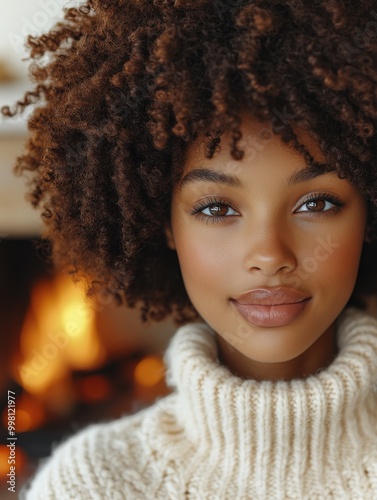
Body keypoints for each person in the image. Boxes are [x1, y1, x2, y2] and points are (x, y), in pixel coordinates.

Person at [4, 0, 377, 498]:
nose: (269, 254)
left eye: (317, 202)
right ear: (164, 225)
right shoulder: (93, 483)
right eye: (217, 209)